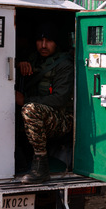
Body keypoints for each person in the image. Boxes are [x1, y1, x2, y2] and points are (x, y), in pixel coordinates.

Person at [15, 23, 74, 184]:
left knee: (29, 110)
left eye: (49, 41)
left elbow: (59, 99)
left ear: (56, 43)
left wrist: (24, 101)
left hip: (62, 119)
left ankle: (41, 167)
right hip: (43, 116)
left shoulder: (64, 65)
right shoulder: (34, 58)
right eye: (40, 40)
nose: (43, 45)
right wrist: (18, 64)